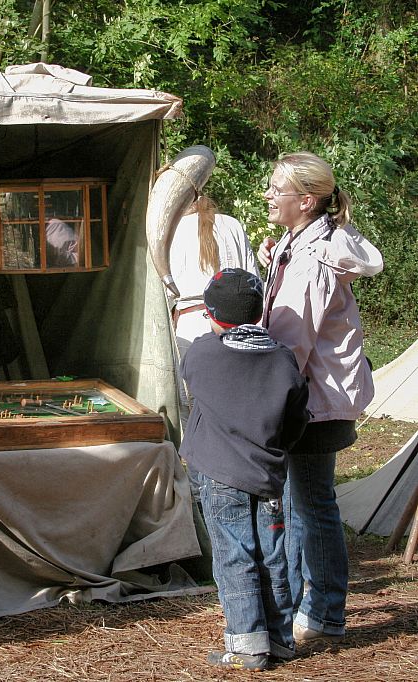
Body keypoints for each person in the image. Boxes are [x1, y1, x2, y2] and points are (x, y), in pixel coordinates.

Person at [257, 152, 383, 644]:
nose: (268, 195)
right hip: (314, 398)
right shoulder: (303, 244)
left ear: (306, 201)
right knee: (302, 504)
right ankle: (301, 609)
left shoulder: (312, 259)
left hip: (312, 401)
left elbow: (291, 345)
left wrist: (262, 398)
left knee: (311, 508)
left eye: (276, 189)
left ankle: (325, 614)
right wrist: (276, 259)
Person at [181, 268, 310, 672]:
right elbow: (297, 418)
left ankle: (247, 644)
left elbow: (195, 383)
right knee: (273, 557)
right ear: (258, 311)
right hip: (269, 475)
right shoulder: (282, 357)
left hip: (221, 476)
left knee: (235, 557)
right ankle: (280, 639)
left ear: (212, 313)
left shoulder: (203, 354)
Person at [170, 195, 259, 358]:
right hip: (235, 326)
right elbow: (253, 285)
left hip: (189, 328)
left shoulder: (171, 231)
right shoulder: (231, 224)